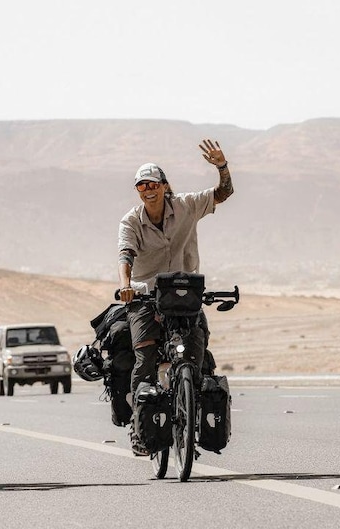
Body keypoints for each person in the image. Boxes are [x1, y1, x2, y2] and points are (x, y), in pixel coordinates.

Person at [117, 138, 234, 455]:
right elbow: (125, 256)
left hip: (185, 294)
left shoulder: (186, 205)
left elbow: (224, 193)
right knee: (144, 359)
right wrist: (127, 286)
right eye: (142, 186)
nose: (148, 189)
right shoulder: (131, 221)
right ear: (138, 191)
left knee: (197, 352)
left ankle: (191, 412)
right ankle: (139, 430)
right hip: (146, 296)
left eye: (153, 183)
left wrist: (221, 166)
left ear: (164, 185)